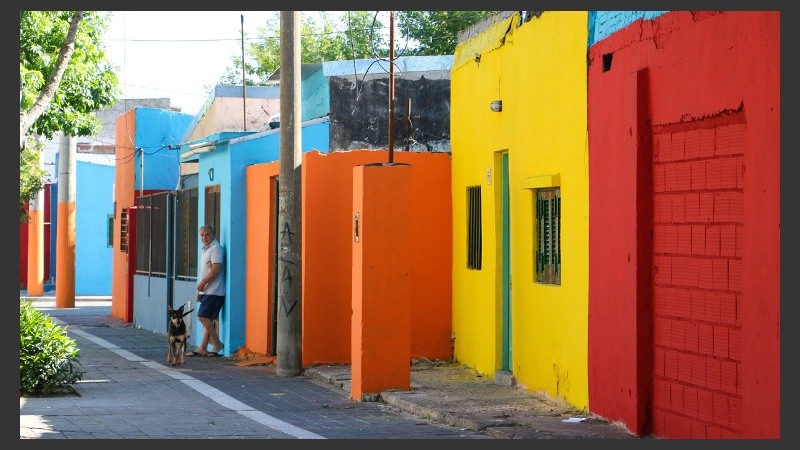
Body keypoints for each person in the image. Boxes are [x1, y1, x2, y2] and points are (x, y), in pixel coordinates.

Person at [187, 224, 225, 357]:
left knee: (202, 317)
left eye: (207, 234)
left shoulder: (216, 248)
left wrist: (203, 283)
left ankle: (217, 343)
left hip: (214, 290)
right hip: (206, 291)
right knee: (207, 318)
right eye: (202, 235)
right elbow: (204, 272)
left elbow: (216, 269)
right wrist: (200, 290)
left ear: (212, 235)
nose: (204, 237)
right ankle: (203, 347)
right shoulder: (205, 249)